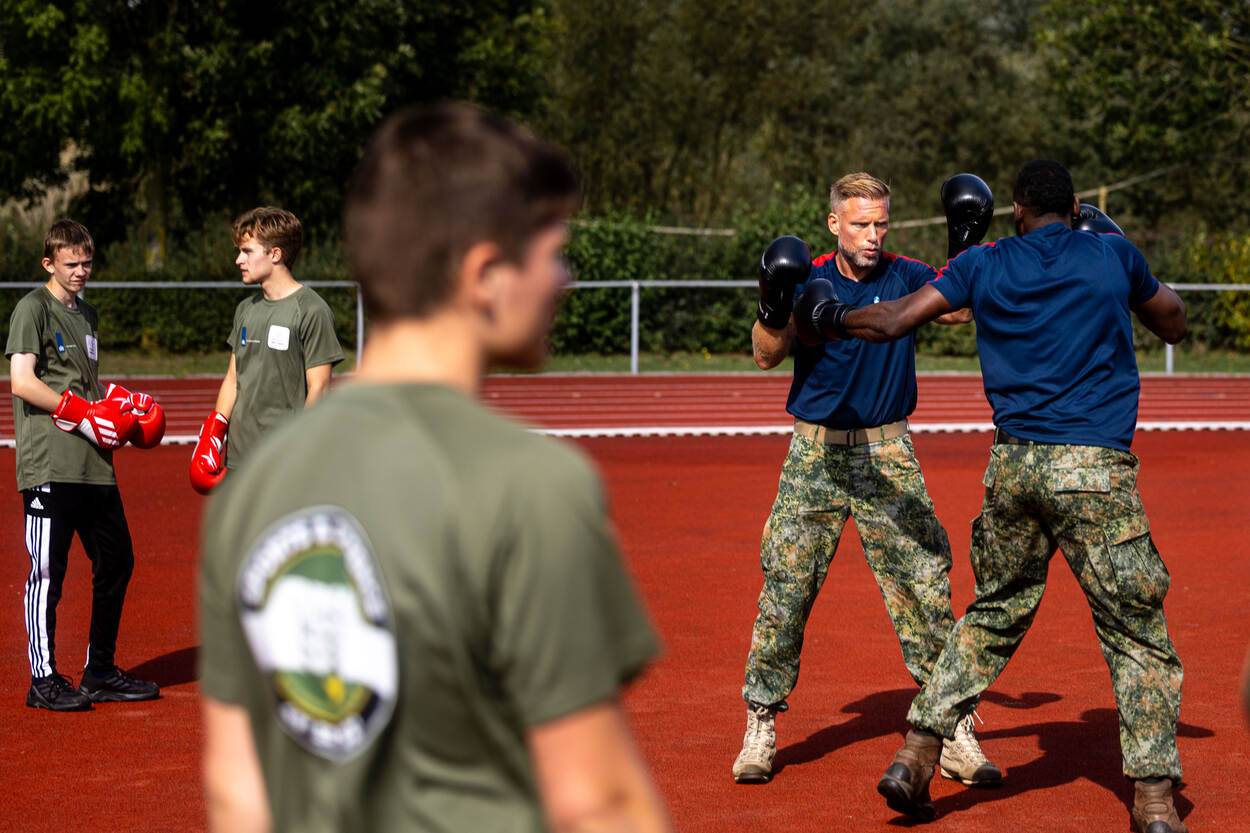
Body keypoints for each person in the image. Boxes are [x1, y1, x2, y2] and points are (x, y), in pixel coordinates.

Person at [198, 101, 673, 833]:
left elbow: (238, 791)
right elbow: (597, 801)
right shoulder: (530, 483)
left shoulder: (250, 490)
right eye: (551, 252)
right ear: (484, 273)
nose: (563, 280)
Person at [799, 160, 1187, 833]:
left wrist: (830, 315)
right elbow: (1174, 322)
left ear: (1015, 210)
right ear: (1074, 208)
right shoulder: (1110, 254)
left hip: (1013, 471)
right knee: (1136, 633)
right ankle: (1153, 800)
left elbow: (892, 321)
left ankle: (918, 753)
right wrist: (1122, 253)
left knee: (990, 617)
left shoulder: (986, 263)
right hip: (1095, 471)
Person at [732, 172, 1000, 788]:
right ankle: (760, 722)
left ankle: (950, 728)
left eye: (881, 223)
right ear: (834, 223)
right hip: (815, 456)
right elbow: (765, 354)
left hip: (888, 452)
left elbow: (957, 308)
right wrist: (775, 300)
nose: (873, 235)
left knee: (926, 590)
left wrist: (965, 247)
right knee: (786, 593)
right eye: (861, 223)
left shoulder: (905, 273)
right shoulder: (808, 274)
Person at [6, 219, 165, 711]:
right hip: (49, 463)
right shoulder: (31, 308)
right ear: (48, 263)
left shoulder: (88, 314)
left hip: (95, 465)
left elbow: (84, 383)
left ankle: (99, 672)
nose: (80, 271)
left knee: (117, 561)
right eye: (70, 264)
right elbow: (21, 381)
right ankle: (44, 678)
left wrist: (121, 406)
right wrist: (79, 413)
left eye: (86, 263)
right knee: (48, 573)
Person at [189, 206, 344, 493]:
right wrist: (213, 434)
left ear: (275, 254)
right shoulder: (245, 310)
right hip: (238, 459)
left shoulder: (312, 310)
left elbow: (319, 388)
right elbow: (233, 379)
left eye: (247, 251)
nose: (238, 260)